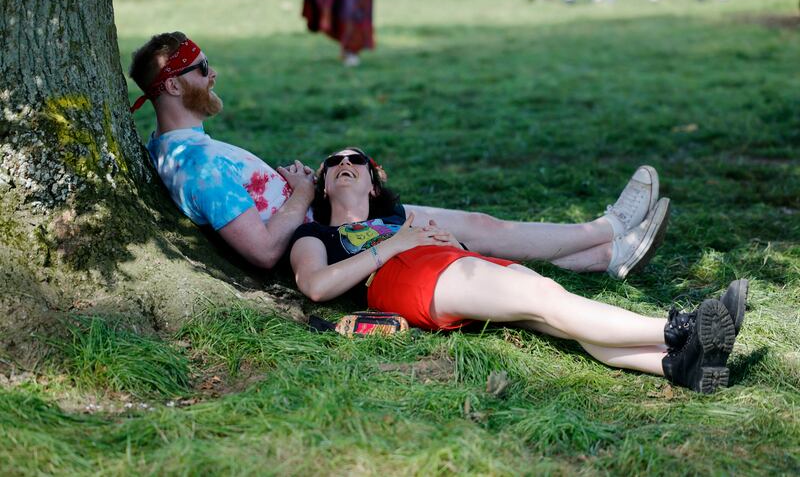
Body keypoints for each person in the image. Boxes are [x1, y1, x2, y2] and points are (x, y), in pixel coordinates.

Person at [129, 32, 670, 276]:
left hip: (328, 217)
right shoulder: (194, 166)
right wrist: (301, 192)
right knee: (476, 233)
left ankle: (604, 251)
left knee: (476, 229)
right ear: (173, 87)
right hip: (333, 236)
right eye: (202, 69)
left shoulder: (179, 149)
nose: (213, 73)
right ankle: (609, 229)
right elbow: (266, 252)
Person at [288, 147, 748, 393]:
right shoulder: (317, 236)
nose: (345, 164)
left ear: (373, 183)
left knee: (553, 314)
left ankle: (677, 367)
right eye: (334, 162)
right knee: (546, 300)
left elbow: (465, 235)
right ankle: (681, 330)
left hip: (445, 265)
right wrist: (396, 247)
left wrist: (447, 242)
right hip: (402, 280)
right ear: (324, 184)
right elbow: (315, 286)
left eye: (357, 161)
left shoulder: (394, 218)